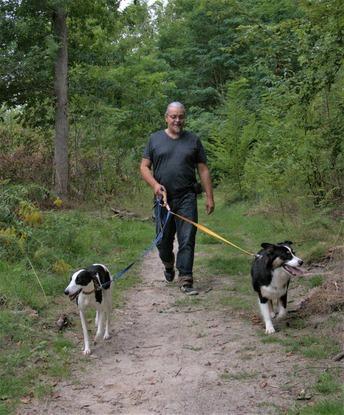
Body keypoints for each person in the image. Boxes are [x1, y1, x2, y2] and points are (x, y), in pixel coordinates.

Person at [140, 102, 215, 295]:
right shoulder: (154, 139)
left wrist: (209, 196)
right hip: (163, 199)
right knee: (162, 241)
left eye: (181, 116)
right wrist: (155, 185)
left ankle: (186, 279)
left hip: (187, 197)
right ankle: (168, 264)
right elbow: (144, 167)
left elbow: (203, 169)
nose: (177, 120)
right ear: (166, 117)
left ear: (185, 118)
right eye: (173, 116)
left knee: (187, 238)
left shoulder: (193, 140)